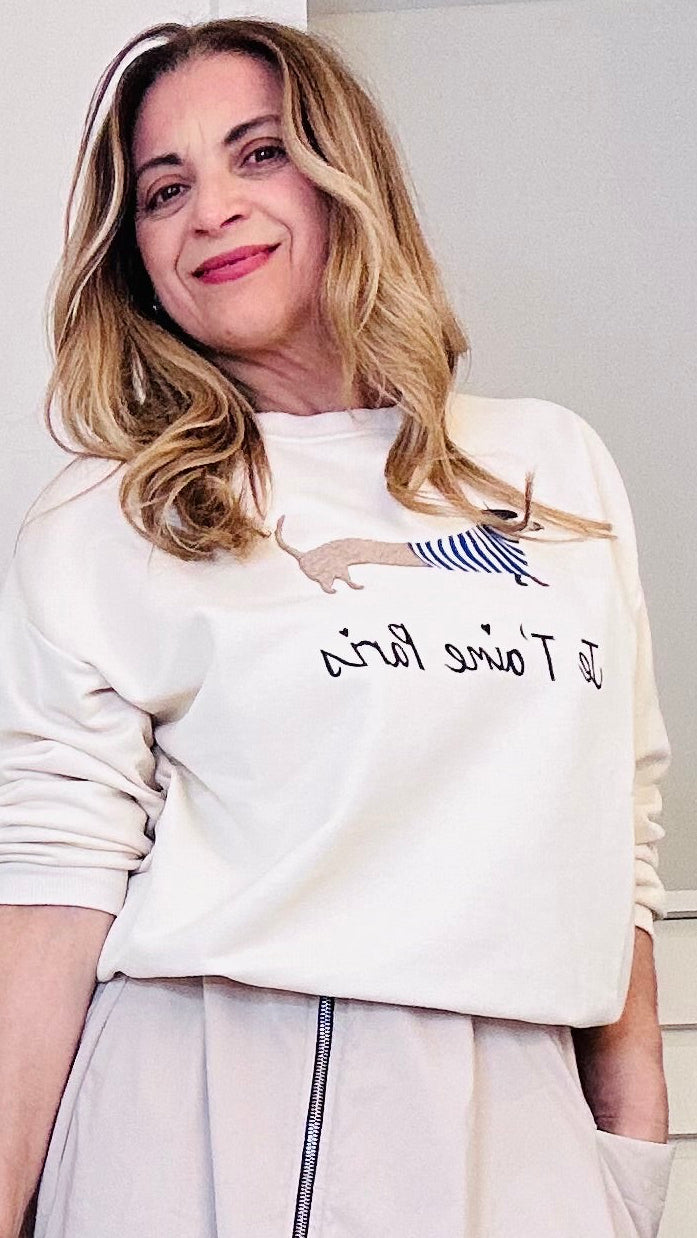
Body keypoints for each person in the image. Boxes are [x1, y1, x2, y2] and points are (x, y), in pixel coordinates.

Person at [0, 17, 677, 1238]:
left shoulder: (550, 461)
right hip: (198, 1121)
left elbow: (615, 825)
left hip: (517, 1123)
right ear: (133, 252)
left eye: (258, 153)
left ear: (342, 174)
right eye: (164, 189)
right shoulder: (112, 513)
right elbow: (51, 889)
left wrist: (629, 1149)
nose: (211, 209)